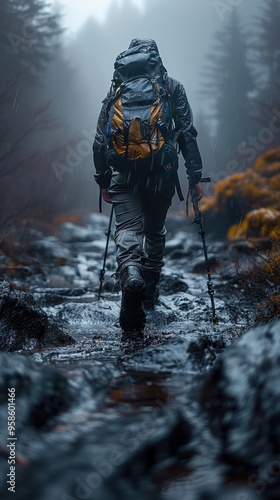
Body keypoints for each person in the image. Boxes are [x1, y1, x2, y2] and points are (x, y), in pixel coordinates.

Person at [93, 38, 203, 334]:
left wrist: (102, 179)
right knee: (155, 233)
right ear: (156, 58)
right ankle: (150, 294)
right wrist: (195, 177)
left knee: (127, 230)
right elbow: (187, 134)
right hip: (161, 175)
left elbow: (100, 140)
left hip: (123, 175)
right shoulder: (170, 87)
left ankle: (131, 275)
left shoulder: (117, 90)